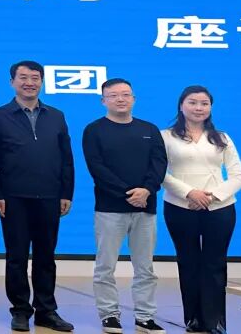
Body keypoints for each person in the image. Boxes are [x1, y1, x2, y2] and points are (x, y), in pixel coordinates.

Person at [0, 60, 75, 332]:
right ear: (12, 82)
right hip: (13, 198)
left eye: (35, 78)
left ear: (42, 82)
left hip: (49, 196)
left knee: (46, 257)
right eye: (23, 77)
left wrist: (66, 192)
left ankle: (46, 311)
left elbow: (66, 158)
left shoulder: (56, 115)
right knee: (16, 257)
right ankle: (20, 311)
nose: (29, 83)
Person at [82, 78, 168, 334]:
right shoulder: (94, 130)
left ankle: (145, 317)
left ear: (133, 99)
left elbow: (159, 164)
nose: (120, 99)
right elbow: (97, 168)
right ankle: (109, 315)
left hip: (145, 208)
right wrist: (126, 193)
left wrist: (146, 190)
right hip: (109, 209)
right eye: (113, 95)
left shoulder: (149, 129)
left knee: (145, 268)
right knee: (105, 266)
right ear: (103, 101)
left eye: (126, 94)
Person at [161, 86, 241, 334]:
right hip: (180, 206)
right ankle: (194, 319)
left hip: (220, 208)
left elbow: (238, 176)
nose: (199, 108)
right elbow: (159, 172)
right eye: (193, 102)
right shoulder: (166, 136)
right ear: (181, 105)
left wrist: (213, 196)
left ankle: (215, 320)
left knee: (215, 263)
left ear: (210, 107)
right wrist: (190, 193)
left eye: (204, 103)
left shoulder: (222, 138)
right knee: (188, 262)